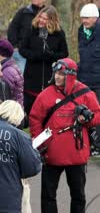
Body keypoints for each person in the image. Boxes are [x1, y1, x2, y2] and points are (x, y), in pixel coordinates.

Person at [30, 58, 100, 213]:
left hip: (76, 153)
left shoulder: (85, 93)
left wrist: (86, 119)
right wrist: (40, 145)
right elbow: (35, 119)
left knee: (78, 196)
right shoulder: (45, 95)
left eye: (61, 74)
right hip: (51, 153)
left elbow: (97, 114)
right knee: (48, 196)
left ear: (71, 75)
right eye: (56, 73)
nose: (57, 77)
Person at [20, 5, 68, 118]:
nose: (41, 20)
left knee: (47, 113)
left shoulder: (59, 33)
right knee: (31, 112)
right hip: (32, 76)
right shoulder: (31, 30)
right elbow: (22, 49)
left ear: (52, 20)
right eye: (40, 17)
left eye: (45, 19)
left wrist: (51, 56)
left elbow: (64, 53)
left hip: (49, 76)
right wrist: (35, 55)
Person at [8, 0, 47, 74]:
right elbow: (12, 29)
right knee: (20, 78)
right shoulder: (23, 12)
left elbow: (47, 32)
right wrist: (15, 46)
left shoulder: (46, 14)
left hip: (37, 54)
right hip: (20, 53)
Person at [0, 39, 24, 107]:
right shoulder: (11, 66)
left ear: (0, 55)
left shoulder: (6, 72)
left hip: (11, 111)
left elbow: (5, 95)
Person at [78, 3, 100, 100]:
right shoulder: (81, 31)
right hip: (83, 81)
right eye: (82, 18)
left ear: (95, 18)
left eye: (87, 18)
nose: (84, 21)